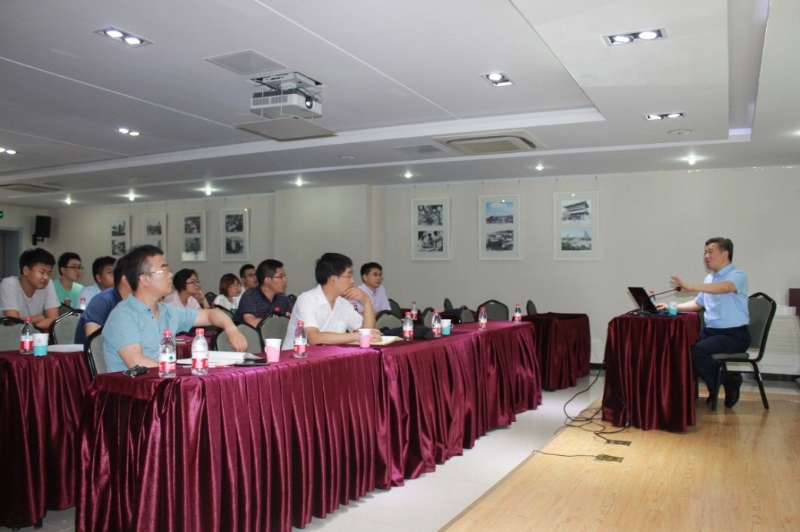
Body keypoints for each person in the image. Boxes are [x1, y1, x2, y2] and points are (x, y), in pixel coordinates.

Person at [103, 245, 247, 372]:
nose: (170, 275)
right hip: (134, 390)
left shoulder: (167, 311)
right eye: (164, 271)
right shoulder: (122, 315)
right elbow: (136, 362)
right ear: (144, 279)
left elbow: (211, 314)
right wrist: (177, 375)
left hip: (164, 383)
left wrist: (231, 329)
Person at [661, 237, 749, 408]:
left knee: (697, 351)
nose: (706, 256)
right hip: (711, 333)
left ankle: (729, 381)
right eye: (705, 252)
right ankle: (684, 399)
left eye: (710, 252)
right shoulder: (709, 279)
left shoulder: (737, 275)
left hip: (734, 334)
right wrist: (670, 307)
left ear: (725, 254)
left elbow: (725, 288)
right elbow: (697, 304)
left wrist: (692, 286)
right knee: (683, 350)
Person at [282, 253, 380, 350]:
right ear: (333, 280)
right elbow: (314, 338)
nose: (352, 281)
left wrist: (367, 301)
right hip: (297, 357)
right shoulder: (307, 300)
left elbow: (368, 333)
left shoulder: (343, 304)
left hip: (329, 356)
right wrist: (358, 335)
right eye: (348, 276)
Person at [74, 255, 132, 344]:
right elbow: (93, 343)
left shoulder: (136, 300)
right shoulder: (101, 301)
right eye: (110, 272)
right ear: (125, 279)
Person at [0, 248, 60, 330]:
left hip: (32, 335)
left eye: (49, 273)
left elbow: (54, 319)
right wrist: (38, 318)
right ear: (26, 271)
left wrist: (30, 329)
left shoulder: (48, 284)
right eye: (42, 272)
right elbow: (13, 323)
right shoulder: (9, 284)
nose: (46, 277)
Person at [238, 259, 293, 328]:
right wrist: (279, 321)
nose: (285, 280)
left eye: (284, 276)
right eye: (280, 277)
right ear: (267, 280)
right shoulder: (250, 296)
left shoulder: (282, 297)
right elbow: (251, 322)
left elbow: (293, 317)